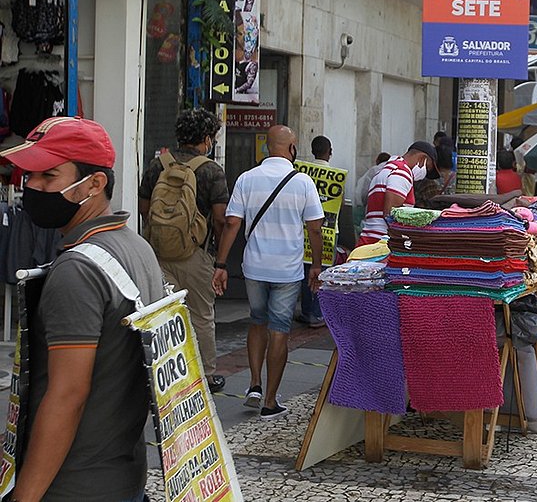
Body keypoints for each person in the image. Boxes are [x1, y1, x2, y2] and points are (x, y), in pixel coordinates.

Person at [2, 117, 164, 501]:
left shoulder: (77, 271)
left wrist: (24, 497)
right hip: (122, 478)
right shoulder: (134, 246)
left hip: (72, 487)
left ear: (94, 184)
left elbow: (67, 396)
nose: (33, 187)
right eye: (30, 176)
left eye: (49, 176)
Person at [212, 126, 325, 420]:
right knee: (279, 331)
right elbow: (315, 227)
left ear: (266, 148)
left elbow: (231, 224)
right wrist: (316, 264)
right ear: (292, 147)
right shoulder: (303, 182)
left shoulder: (247, 179)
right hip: (287, 269)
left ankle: (254, 385)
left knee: (257, 320)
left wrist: (221, 264)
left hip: (254, 267)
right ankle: (270, 401)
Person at [138, 109, 229, 393]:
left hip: (159, 253)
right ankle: (206, 375)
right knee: (201, 315)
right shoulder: (212, 170)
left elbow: (144, 208)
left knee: (163, 312)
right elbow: (220, 218)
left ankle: (164, 373)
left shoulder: (157, 165)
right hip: (196, 254)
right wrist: (218, 258)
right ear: (206, 139)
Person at [357, 141, 438, 246]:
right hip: (381, 245)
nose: (424, 174)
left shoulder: (386, 169)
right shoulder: (402, 172)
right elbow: (390, 215)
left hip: (369, 240)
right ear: (422, 159)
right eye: (426, 168)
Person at [296, 135, 333, 329]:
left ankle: (306, 311)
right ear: (330, 152)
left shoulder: (303, 174)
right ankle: (318, 313)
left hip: (304, 231)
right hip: (326, 233)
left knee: (305, 271)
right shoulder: (337, 175)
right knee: (322, 273)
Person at [354, 152, 391, 233]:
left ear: (377, 161)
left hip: (373, 213)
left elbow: (363, 192)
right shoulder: (395, 170)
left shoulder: (374, 170)